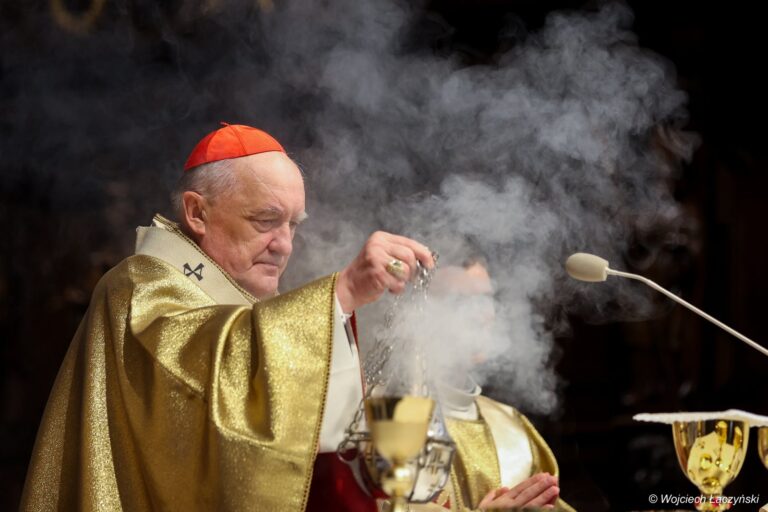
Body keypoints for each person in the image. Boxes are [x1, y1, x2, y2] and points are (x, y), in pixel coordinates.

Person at [20, 123, 434, 512]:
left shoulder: (241, 304)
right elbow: (202, 371)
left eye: (293, 225)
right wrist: (342, 293)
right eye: (266, 221)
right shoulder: (138, 286)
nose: (285, 245)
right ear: (197, 212)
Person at [415, 260, 576, 511]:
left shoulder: (510, 424)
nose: (482, 316)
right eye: (459, 301)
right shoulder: (385, 420)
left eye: (486, 299)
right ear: (417, 314)